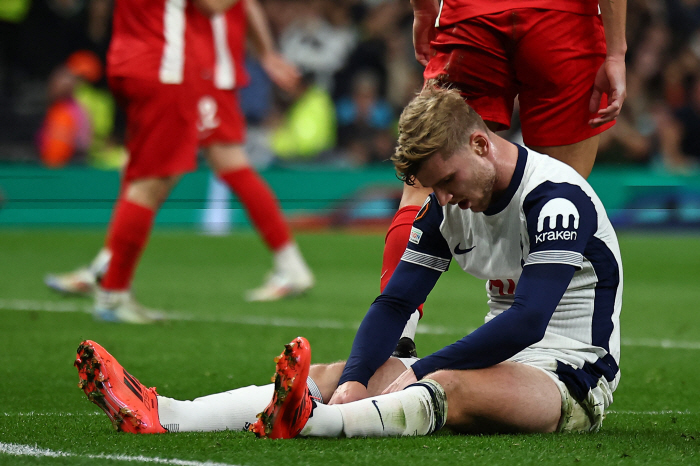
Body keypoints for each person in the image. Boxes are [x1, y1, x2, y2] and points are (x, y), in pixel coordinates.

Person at [75, 86, 622, 437]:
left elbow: (526, 322)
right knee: (338, 372)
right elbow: (396, 302)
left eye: (448, 181)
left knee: (444, 385)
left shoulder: (554, 199)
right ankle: (165, 412)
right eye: (435, 189)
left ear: (481, 144)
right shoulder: (445, 203)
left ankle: (313, 425)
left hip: (571, 379)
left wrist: (417, 369)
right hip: (504, 361)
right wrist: (359, 379)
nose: (445, 199)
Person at [375, 0, 628, 356]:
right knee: (558, 193)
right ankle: (544, 352)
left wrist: (423, 11)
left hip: (472, 15)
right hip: (562, 20)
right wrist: (616, 52)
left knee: (424, 188)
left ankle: (394, 340)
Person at [44, 0, 314, 319]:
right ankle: (112, 289)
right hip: (170, 69)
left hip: (130, 59)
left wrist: (266, 52)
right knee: (159, 178)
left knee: (145, 172)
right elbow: (214, 5)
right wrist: (266, 51)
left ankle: (108, 272)